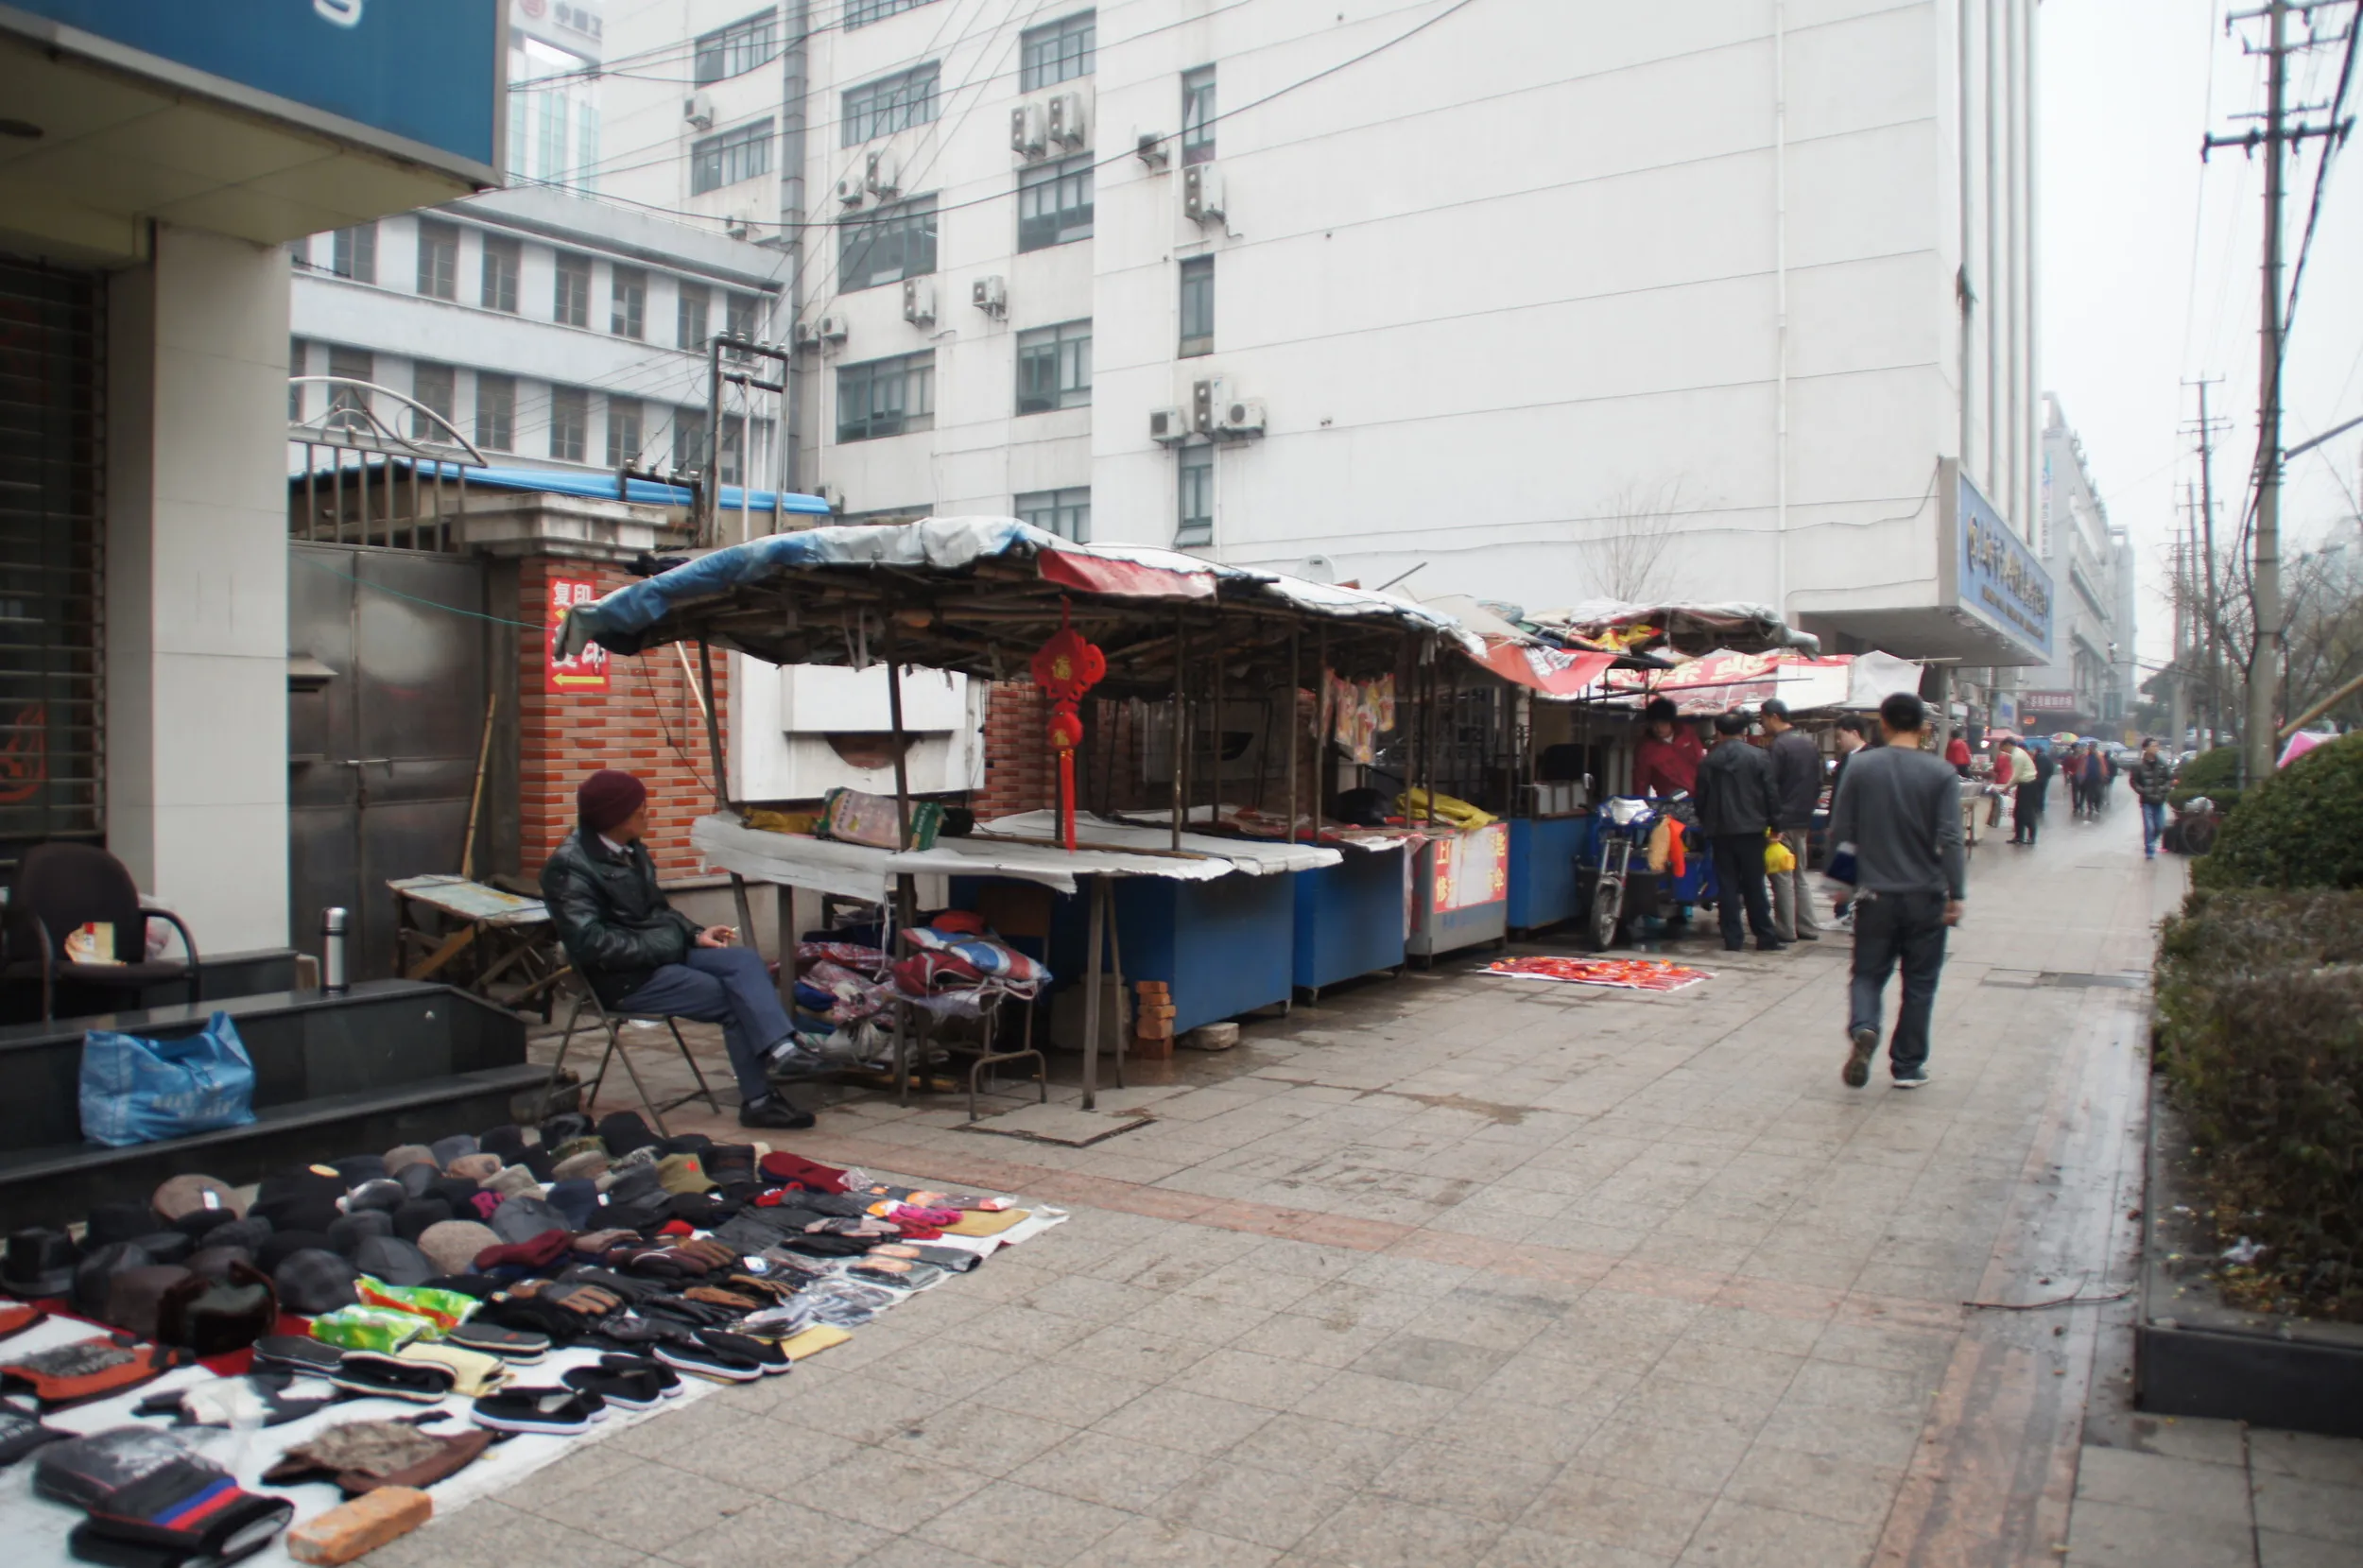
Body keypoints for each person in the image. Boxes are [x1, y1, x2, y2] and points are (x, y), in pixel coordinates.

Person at [541, 768, 819, 1130]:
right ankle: (760, 1099)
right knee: (733, 998)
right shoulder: (568, 867)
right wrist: (671, 943)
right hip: (623, 978)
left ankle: (782, 1050)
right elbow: (592, 944)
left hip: (660, 953)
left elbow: (658, 910)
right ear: (617, 817)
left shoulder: (630, 850)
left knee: (743, 961)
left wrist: (694, 934)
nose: (648, 814)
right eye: (641, 809)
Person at [1828, 692, 1965, 1090]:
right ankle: (1907, 1066)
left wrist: (1841, 883)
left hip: (1875, 896)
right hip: (1927, 896)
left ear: (1883, 724)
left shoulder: (1862, 767)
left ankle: (1865, 1027)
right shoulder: (1941, 773)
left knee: (1868, 974)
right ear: (1924, 727)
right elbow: (1951, 837)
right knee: (1920, 982)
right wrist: (1957, 892)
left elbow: (1843, 831)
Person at [1695, 710, 1784, 952]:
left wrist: (1707, 823)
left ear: (1719, 733)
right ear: (1745, 732)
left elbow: (1700, 799)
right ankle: (1765, 937)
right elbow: (1771, 794)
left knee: (1727, 885)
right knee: (1755, 884)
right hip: (1753, 830)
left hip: (1721, 831)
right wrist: (1776, 825)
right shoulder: (1759, 757)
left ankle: (1733, 939)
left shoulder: (1708, 761)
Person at [1759, 698, 1822, 943]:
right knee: (1800, 874)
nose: (1762, 725)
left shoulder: (1778, 747)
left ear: (1774, 717)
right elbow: (1818, 782)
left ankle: (1785, 929)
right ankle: (1808, 926)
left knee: (1782, 874)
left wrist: (1773, 822)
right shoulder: (1809, 744)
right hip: (1803, 818)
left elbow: (1770, 787)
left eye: (1763, 720)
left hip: (1782, 820)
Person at [1632, 697, 1704, 798]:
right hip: (1669, 801)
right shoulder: (1645, 749)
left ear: (1671, 721)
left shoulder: (1687, 733)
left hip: (1698, 797)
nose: (1658, 728)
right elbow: (1640, 782)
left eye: (1663, 723)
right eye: (1654, 724)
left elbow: (1701, 763)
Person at [2130, 737, 2174, 859]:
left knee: (2160, 826)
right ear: (2145, 748)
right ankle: (2150, 849)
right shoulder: (2139, 765)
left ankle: (2151, 842)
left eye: (2157, 746)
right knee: (2149, 826)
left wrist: (2164, 789)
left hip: (2159, 800)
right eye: (2153, 746)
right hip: (2147, 801)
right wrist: (2142, 791)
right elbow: (2134, 782)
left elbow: (2169, 779)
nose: (2156, 748)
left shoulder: (2163, 764)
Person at [2007, 738, 2042, 845]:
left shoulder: (2018, 756)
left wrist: (2007, 786)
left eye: (2003, 747)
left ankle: (2031, 837)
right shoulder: (2018, 753)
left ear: (2008, 745)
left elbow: (2016, 775)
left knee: (2027, 811)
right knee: (2018, 812)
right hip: (2024, 784)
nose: (2004, 751)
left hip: (2028, 785)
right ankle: (2019, 836)